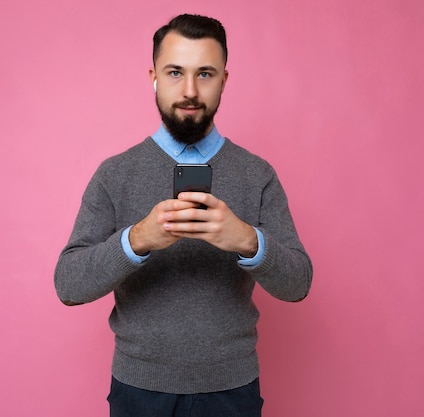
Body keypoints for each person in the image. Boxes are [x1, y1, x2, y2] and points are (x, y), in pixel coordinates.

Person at [55, 13, 313, 417]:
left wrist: (248, 240)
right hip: (138, 391)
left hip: (233, 391)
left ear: (224, 80)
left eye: (205, 74)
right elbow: (68, 284)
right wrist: (136, 239)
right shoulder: (114, 174)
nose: (190, 90)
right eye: (175, 72)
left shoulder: (257, 174)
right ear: (154, 76)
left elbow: (298, 282)